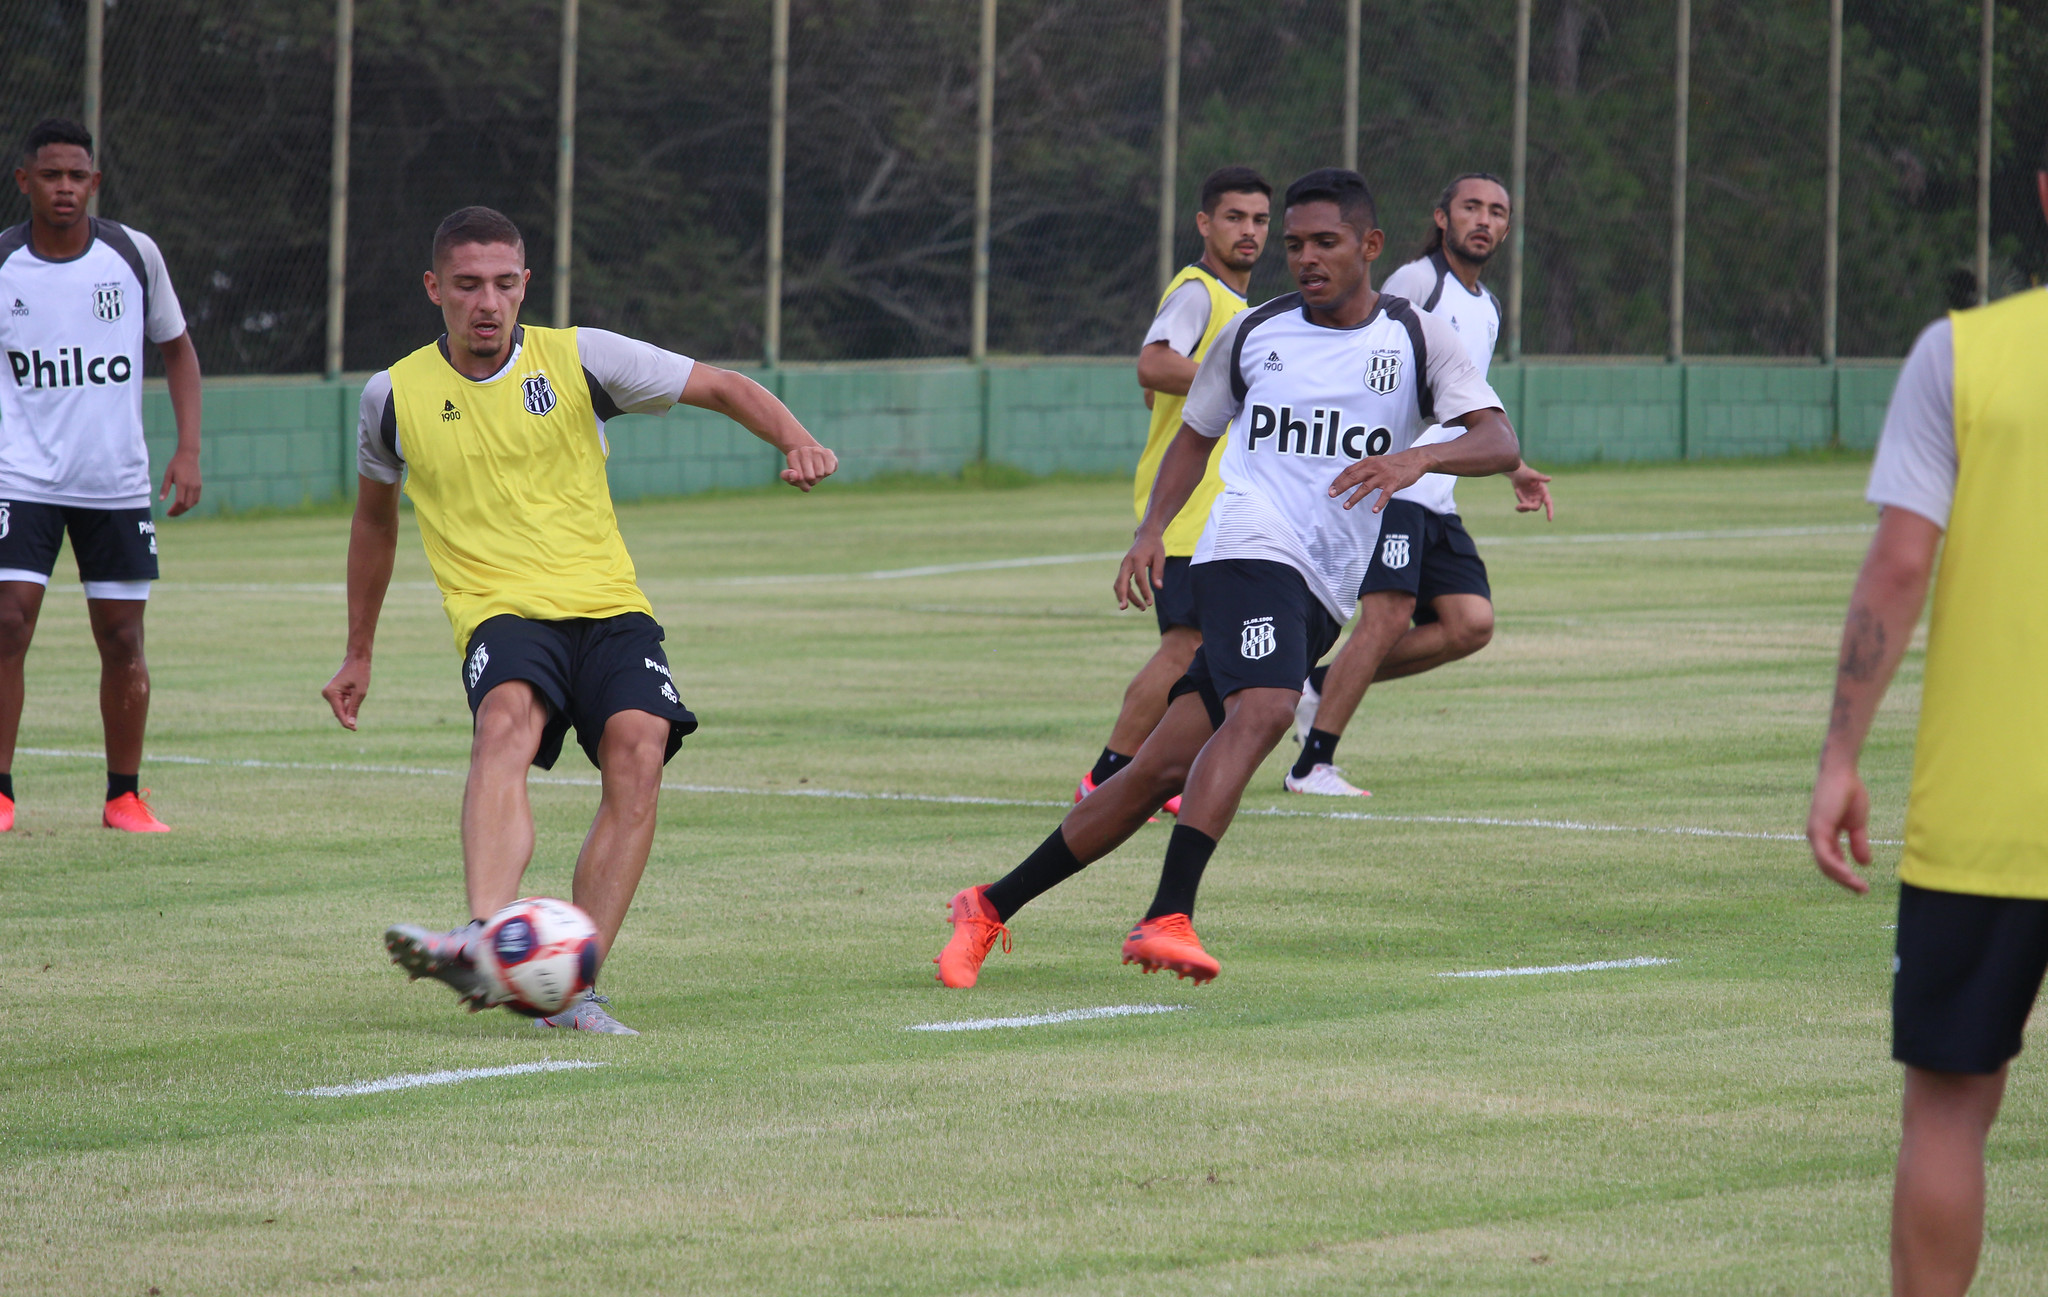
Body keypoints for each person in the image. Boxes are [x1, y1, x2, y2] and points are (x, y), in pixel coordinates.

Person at [934, 169, 1517, 988]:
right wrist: (1149, 531)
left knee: (1156, 772)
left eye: (1326, 243)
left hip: (1324, 585)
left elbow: (1497, 441)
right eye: (1295, 244)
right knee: (1271, 706)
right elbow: (1197, 437)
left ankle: (987, 904)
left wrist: (1416, 455)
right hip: (1246, 544)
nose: (1306, 258)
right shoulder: (1254, 332)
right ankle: (1169, 913)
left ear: (1370, 246)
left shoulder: (1418, 338)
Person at [323, 207, 836, 1034]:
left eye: (502, 283)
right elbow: (373, 522)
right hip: (500, 610)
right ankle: (486, 939)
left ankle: (568, 989)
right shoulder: (393, 396)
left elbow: (722, 385)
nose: (486, 302)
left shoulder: (581, 357)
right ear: (434, 290)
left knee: (639, 751)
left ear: (525, 284)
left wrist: (796, 437)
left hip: (609, 603)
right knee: (506, 721)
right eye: (466, 285)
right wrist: (358, 651)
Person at [1806, 141, 2048, 1297]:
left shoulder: (1962, 353)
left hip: (1987, 820)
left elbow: (1899, 567)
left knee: (1947, 1113)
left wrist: (1839, 755)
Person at [1284, 172, 1553, 797]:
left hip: (1437, 491)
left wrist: (1511, 466)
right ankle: (1312, 762)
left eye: (1496, 211)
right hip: (1392, 486)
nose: (1482, 220)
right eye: (1469, 208)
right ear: (1442, 217)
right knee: (1387, 615)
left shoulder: (1486, 306)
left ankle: (1317, 686)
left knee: (1470, 624)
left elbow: (1461, 399)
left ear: (1507, 227)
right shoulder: (1414, 281)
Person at [0, 118, 203, 833]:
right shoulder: (3, 266)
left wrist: (188, 450)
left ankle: (124, 795)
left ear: (94, 182)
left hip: (114, 480)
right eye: (49, 174)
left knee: (122, 638)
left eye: (76, 175)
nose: (64, 187)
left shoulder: (131, 254)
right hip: (19, 476)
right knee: (7, 620)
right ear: (24, 181)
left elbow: (177, 349)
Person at [1075, 166, 1271, 814]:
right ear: (1204, 224)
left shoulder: (1241, 308)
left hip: (1223, 508)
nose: (1249, 231)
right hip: (1187, 510)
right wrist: (1236, 380)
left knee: (1209, 651)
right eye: (1235, 217)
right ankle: (1108, 775)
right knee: (1185, 646)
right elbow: (1153, 362)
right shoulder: (1198, 290)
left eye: (1260, 219)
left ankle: (1162, 771)